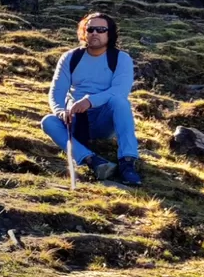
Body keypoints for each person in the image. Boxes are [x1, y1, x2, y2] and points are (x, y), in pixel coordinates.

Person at [40, 13, 142, 186]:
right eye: (90, 29)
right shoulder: (70, 57)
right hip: (76, 120)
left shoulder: (120, 59)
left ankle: (127, 162)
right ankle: (93, 161)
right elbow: (57, 91)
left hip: (104, 120)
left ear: (110, 34)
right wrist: (60, 112)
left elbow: (120, 91)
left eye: (101, 30)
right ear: (84, 32)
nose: (95, 33)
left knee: (120, 102)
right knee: (48, 121)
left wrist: (90, 101)